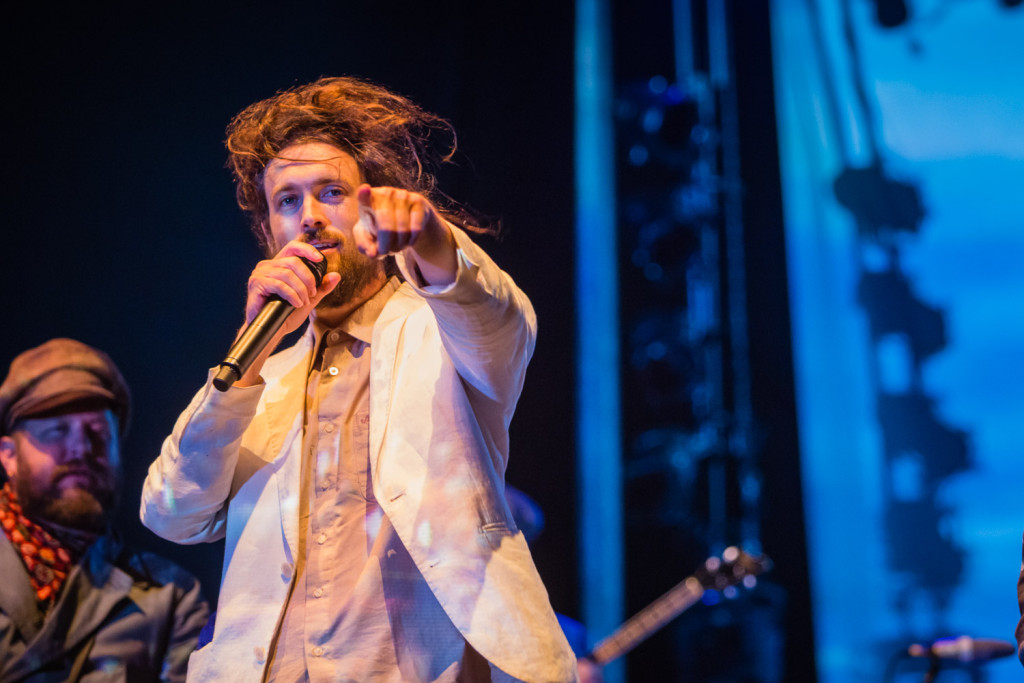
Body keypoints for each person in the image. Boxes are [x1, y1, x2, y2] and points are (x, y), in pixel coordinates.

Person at [140, 76, 578, 682]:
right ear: (268, 233)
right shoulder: (262, 377)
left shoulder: (439, 332)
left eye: (331, 192)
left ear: (375, 205)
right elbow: (171, 512)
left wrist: (430, 237)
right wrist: (249, 354)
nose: (310, 218)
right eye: (287, 202)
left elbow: (498, 316)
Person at [0, 337, 210, 682]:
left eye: (98, 434)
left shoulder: (171, 598)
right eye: (56, 432)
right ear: (9, 456)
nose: (82, 449)